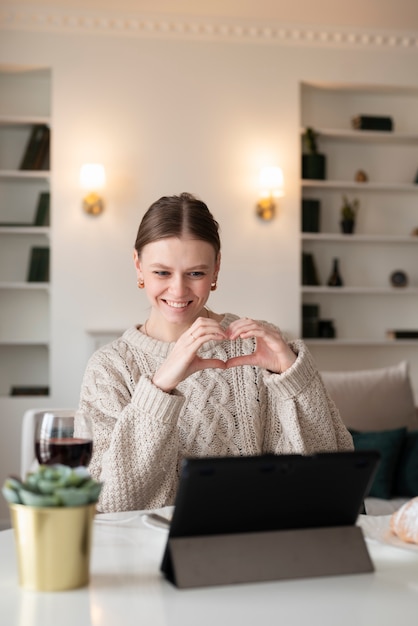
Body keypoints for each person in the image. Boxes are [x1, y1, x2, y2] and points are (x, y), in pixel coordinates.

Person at [75, 192, 353, 513]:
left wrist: (294, 380)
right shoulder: (109, 368)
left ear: (216, 268)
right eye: (161, 273)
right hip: (148, 553)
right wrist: (159, 387)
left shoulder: (259, 346)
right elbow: (107, 503)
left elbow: (332, 476)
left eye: (196, 273)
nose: (178, 291)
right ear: (138, 266)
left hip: (256, 545)